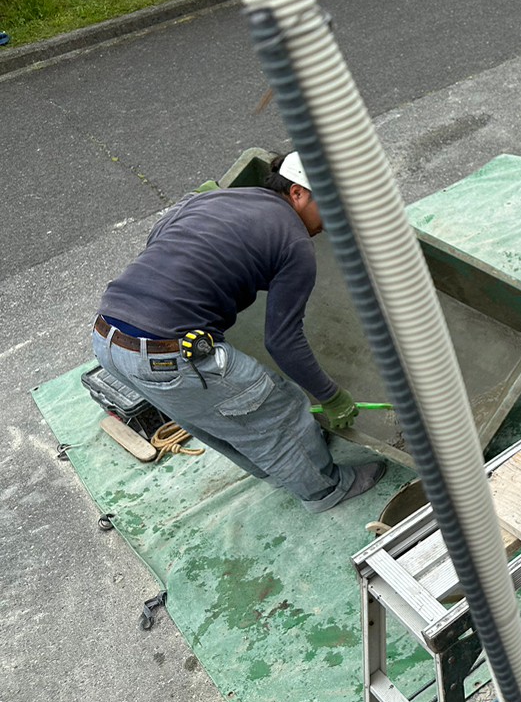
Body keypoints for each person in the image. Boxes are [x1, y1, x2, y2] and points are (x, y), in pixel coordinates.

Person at [91, 152, 383, 511]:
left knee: (208, 417)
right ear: (297, 194)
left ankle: (281, 471)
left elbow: (158, 237)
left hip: (107, 337)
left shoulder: (215, 197)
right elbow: (283, 341)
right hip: (168, 353)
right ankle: (326, 489)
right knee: (281, 406)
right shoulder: (295, 242)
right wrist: (331, 396)